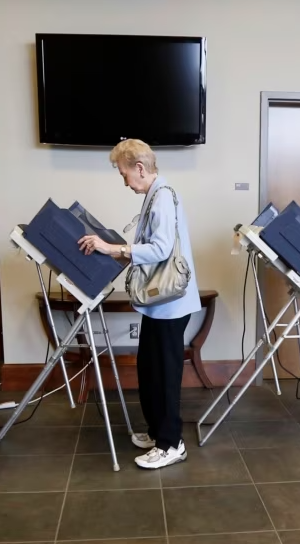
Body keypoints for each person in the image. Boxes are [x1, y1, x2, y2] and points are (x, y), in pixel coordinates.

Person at [77, 139, 201, 469]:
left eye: (124, 174)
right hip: (160, 303)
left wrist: (114, 249)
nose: (124, 181)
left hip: (170, 303)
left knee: (164, 373)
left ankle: (171, 443)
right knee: (149, 368)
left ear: (140, 168)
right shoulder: (156, 195)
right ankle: (157, 431)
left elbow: (160, 249)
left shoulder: (162, 197)